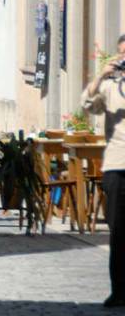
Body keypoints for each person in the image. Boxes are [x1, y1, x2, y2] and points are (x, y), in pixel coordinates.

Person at [82, 33, 125, 308]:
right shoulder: (110, 86)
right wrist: (101, 76)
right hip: (117, 165)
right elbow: (87, 105)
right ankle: (119, 290)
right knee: (119, 231)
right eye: (121, 54)